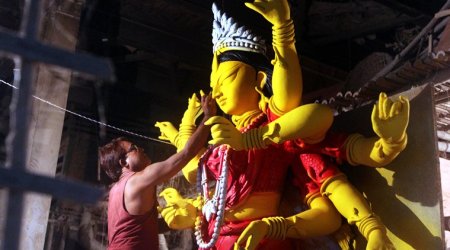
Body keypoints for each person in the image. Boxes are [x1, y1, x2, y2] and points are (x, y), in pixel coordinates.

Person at [157, 1, 408, 249]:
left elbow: (304, 109)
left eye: (228, 78)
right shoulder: (222, 141)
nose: (218, 92)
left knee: (311, 159)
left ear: (259, 79)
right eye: (214, 85)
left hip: (261, 241)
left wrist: (282, 30)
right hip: (217, 239)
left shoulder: (272, 127)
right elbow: (194, 171)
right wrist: (191, 209)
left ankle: (373, 228)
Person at [99, 93, 216, 250]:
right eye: (133, 149)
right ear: (123, 163)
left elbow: (138, 230)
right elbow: (186, 154)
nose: (140, 148)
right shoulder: (136, 181)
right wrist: (208, 116)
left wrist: (183, 218)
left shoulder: (115, 191)